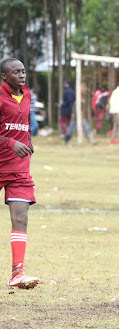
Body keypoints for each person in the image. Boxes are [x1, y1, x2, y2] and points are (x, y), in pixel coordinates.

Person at [0, 58, 39, 288]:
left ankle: (17, 274)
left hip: (19, 168)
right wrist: (10, 143)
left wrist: (28, 142)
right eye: (16, 72)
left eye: (24, 71)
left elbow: (26, 123)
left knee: (21, 217)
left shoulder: (27, 95)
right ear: (5, 76)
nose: (22, 76)